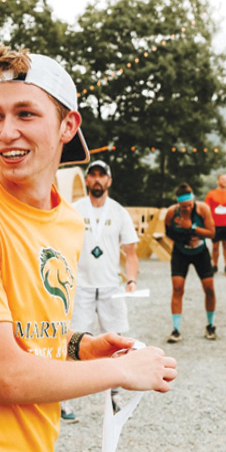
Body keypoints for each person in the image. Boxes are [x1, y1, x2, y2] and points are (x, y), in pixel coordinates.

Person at [0, 45, 177, 452]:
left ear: (67, 125)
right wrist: (121, 371)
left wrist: (82, 346)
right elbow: (5, 376)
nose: (6, 133)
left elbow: (34, 332)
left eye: (25, 114)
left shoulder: (67, 222)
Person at [65, 159, 139, 421]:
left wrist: (131, 279)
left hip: (109, 285)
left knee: (116, 341)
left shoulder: (119, 212)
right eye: (92, 175)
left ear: (109, 180)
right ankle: (64, 398)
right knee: (72, 340)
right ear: (87, 180)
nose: (97, 180)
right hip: (81, 286)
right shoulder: (74, 210)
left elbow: (131, 252)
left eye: (101, 175)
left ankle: (114, 394)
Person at [164, 183, 217, 343]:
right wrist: (183, 238)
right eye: (183, 206)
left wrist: (192, 228)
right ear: (178, 204)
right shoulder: (171, 213)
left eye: (189, 205)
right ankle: (176, 329)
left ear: (193, 201)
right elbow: (168, 232)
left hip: (200, 251)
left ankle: (210, 324)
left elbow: (212, 233)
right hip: (181, 252)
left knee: (209, 288)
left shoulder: (202, 210)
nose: (186, 208)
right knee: (178, 288)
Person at [204, 173, 226, 276]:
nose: (224, 181)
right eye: (222, 179)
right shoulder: (211, 194)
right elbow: (207, 210)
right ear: (218, 181)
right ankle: (215, 265)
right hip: (215, 224)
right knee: (215, 246)